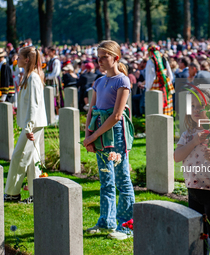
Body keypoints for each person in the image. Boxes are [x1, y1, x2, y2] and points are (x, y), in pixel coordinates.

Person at [83, 40, 135, 240]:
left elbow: (116, 115)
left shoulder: (123, 81)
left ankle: (126, 225)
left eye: (104, 57)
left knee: (122, 180)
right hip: (99, 134)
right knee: (105, 180)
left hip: (115, 135)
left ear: (115, 58)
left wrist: (94, 136)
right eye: (98, 57)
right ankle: (106, 221)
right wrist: (88, 135)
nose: (100, 61)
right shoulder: (99, 81)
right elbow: (92, 110)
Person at [174, 87, 210, 255]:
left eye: (200, 106)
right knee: (200, 234)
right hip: (193, 190)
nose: (196, 110)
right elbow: (177, 156)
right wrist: (193, 142)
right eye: (192, 106)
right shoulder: (187, 135)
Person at [4, 46, 47, 203]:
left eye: (19, 57)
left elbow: (34, 105)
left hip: (33, 125)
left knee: (19, 156)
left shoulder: (33, 78)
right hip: (32, 124)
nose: (17, 60)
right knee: (31, 159)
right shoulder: (29, 76)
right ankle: (36, 194)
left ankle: (12, 192)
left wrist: (28, 126)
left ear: (27, 59)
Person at [145, 45, 175, 116]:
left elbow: (150, 77)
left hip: (156, 84)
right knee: (166, 100)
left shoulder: (151, 61)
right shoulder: (164, 59)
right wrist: (168, 82)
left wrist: (148, 88)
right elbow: (170, 74)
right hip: (165, 82)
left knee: (156, 103)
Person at [45, 46, 63, 116]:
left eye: (49, 52)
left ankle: (58, 114)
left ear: (53, 52)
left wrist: (47, 77)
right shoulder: (50, 60)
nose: (48, 53)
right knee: (51, 97)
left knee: (56, 96)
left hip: (54, 80)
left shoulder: (56, 61)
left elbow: (56, 73)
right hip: (49, 80)